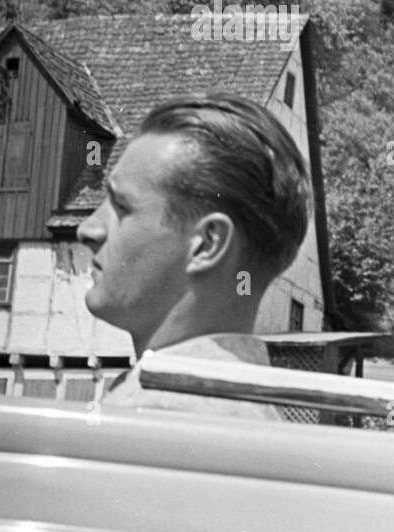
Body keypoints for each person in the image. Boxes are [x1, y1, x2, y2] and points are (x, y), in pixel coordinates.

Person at [77, 93, 311, 418]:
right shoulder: (256, 412)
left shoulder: (149, 416)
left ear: (207, 245)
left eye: (122, 207)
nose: (87, 230)